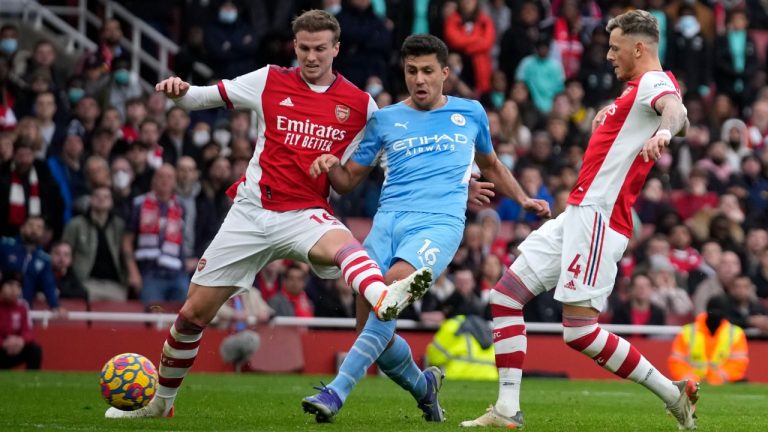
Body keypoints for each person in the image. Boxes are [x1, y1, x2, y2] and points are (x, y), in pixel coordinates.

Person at [104, 10, 430, 419]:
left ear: (336, 49)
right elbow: (202, 97)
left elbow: (392, 154)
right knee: (191, 316)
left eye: (320, 49)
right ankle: (160, 404)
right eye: (305, 48)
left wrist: (459, 182)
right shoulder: (269, 80)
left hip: (305, 212)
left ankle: (383, 296)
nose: (312, 57)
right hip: (252, 212)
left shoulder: (359, 104)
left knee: (346, 244)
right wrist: (179, 92)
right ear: (295, 46)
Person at [460, 10, 700, 430]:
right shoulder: (630, 95)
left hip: (599, 220)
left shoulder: (653, 82)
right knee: (505, 296)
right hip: (577, 214)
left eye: (615, 47)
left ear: (638, 48)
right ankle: (505, 409)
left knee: (578, 332)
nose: (608, 55)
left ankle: (671, 393)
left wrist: (665, 130)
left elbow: (675, 110)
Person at [302, 34, 549, 424]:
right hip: (387, 224)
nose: (419, 79)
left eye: (428, 71)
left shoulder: (470, 113)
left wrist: (523, 200)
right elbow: (347, 181)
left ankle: (336, 392)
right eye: (412, 71)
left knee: (389, 295)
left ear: (445, 73)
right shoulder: (384, 119)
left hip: (438, 225)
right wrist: (329, 162)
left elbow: (493, 165)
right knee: (370, 330)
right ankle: (424, 389)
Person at [668, 295, 748, 386]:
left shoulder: (735, 333)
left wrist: (716, 378)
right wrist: (691, 380)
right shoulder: (687, 332)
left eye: (718, 311)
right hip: (691, 385)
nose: (715, 314)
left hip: (722, 386)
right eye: (713, 310)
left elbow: (738, 364)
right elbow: (677, 362)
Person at [0, 272, 42, 370]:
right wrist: (3, 343)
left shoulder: (22, 306)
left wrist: (21, 340)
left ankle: (33, 382)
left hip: (15, 347)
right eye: (10, 284)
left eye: (18, 286)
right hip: (2, 346)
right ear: (1, 286)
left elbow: (28, 331)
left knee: (35, 350)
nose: (14, 290)